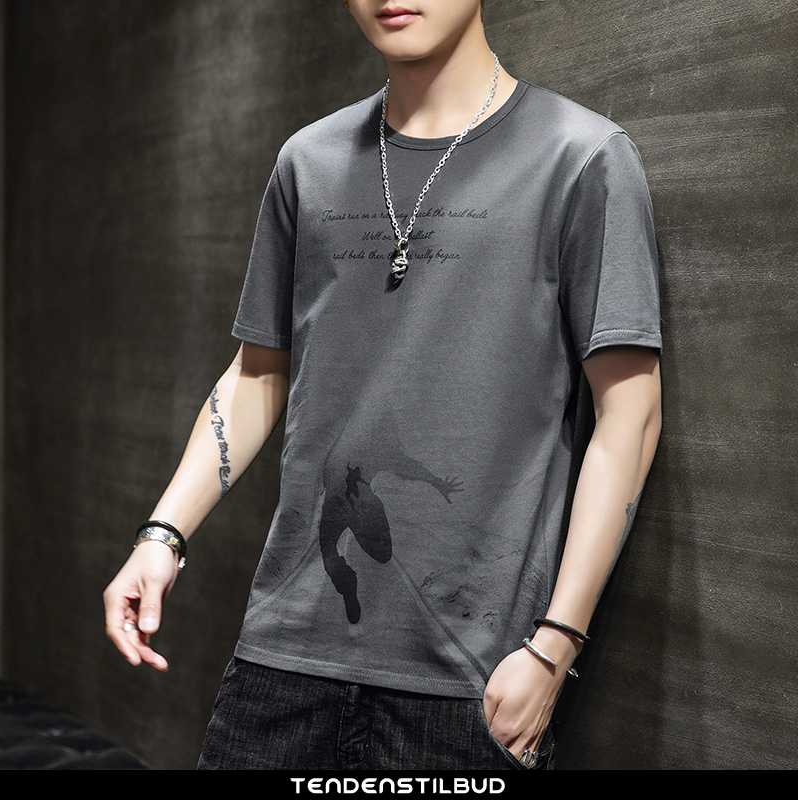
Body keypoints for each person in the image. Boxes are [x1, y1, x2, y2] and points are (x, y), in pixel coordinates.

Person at [103, 0, 663, 771]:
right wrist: (161, 536)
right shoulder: (308, 161)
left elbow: (630, 415)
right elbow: (257, 373)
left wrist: (555, 646)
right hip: (283, 660)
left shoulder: (582, 157)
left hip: (472, 680)